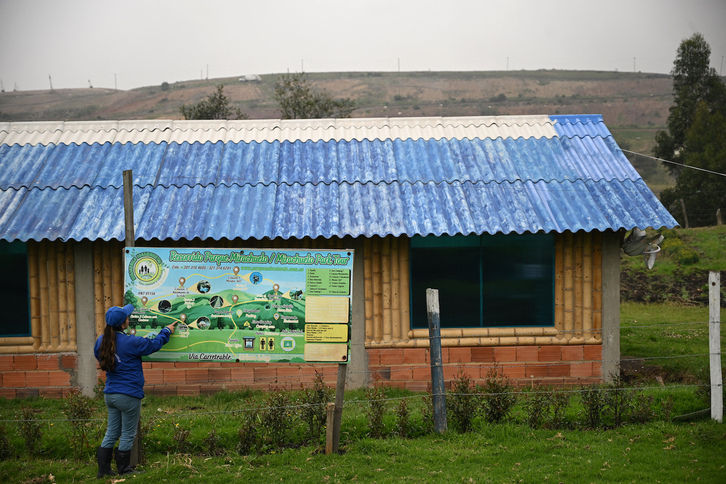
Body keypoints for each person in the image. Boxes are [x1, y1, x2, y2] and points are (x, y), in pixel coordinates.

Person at [94, 304, 176, 478]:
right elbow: (153, 345)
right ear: (123, 324)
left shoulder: (101, 341)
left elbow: (100, 356)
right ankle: (124, 470)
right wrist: (166, 331)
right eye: (127, 317)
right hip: (129, 395)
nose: (128, 319)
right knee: (128, 433)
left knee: (112, 432)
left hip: (110, 394)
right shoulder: (132, 342)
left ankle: (104, 471)